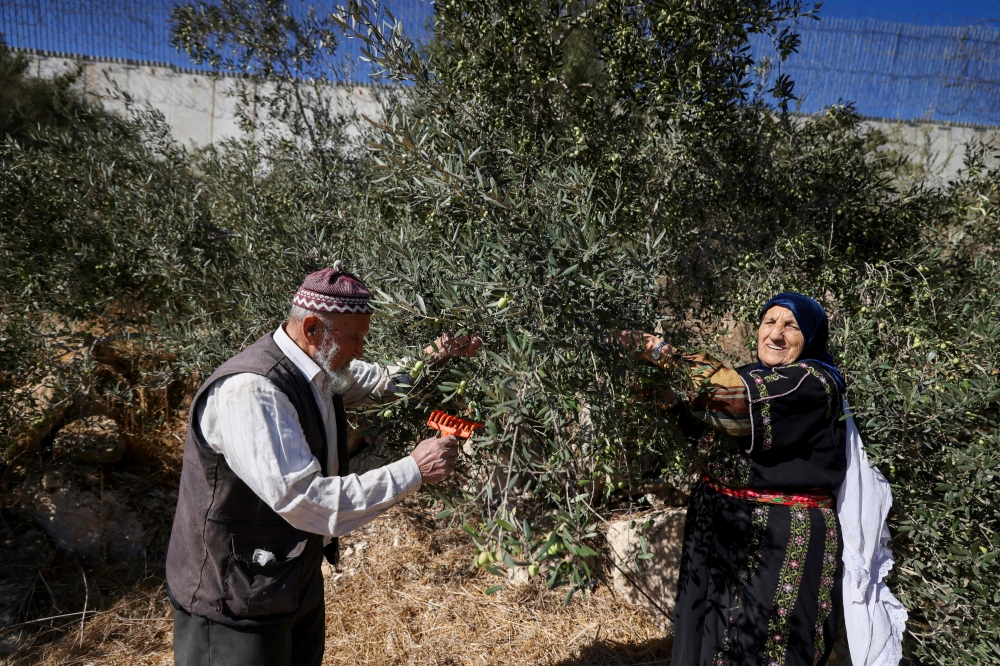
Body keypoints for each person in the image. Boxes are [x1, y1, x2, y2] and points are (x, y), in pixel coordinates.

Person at [166, 262, 481, 666]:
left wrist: (437, 360)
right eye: (354, 339)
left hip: (287, 583)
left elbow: (385, 382)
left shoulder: (322, 369)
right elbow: (308, 500)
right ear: (313, 329)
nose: (360, 351)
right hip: (232, 602)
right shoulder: (253, 392)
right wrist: (414, 469)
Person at [619, 293, 851, 666]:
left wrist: (660, 352)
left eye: (790, 326)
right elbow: (706, 432)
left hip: (778, 536)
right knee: (705, 635)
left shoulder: (812, 383)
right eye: (768, 323)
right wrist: (660, 394)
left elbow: (736, 408)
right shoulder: (751, 373)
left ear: (810, 336)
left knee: (760, 646)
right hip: (721, 524)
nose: (775, 334)